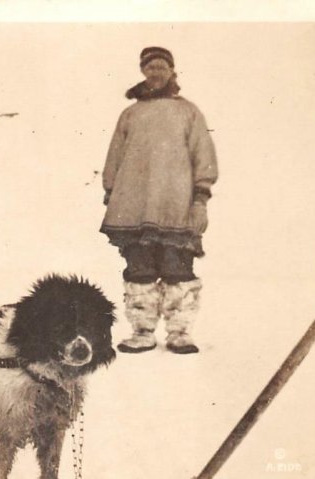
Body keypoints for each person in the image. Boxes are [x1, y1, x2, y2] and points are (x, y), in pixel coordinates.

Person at [100, 47, 218, 355]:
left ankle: (179, 332)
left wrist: (200, 198)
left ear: (172, 71)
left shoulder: (188, 112)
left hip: (175, 207)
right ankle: (142, 331)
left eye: (161, 67)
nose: (156, 72)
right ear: (143, 71)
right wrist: (112, 192)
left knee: (177, 266)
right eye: (150, 67)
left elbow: (203, 156)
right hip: (133, 207)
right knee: (139, 266)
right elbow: (115, 156)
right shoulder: (131, 114)